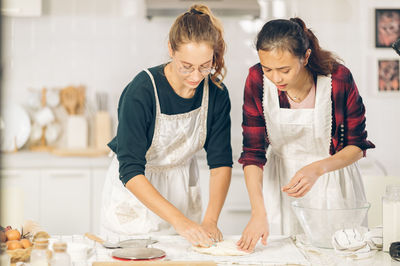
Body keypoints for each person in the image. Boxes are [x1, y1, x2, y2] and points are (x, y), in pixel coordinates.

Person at [237, 18, 375, 252]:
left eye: (284, 70)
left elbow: (356, 146)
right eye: (267, 68)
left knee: (334, 254)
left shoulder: (338, 79)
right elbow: (252, 153)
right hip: (280, 184)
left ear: (306, 56)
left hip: (332, 182)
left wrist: (317, 168)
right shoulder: (256, 80)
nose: (276, 78)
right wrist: (258, 211)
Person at [101, 4, 232, 248]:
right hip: (137, 194)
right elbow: (130, 169)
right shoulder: (142, 91)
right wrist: (179, 222)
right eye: (186, 66)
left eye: (205, 66)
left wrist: (211, 219)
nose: (196, 76)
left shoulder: (216, 94)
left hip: (181, 190)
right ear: (171, 50)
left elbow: (221, 163)